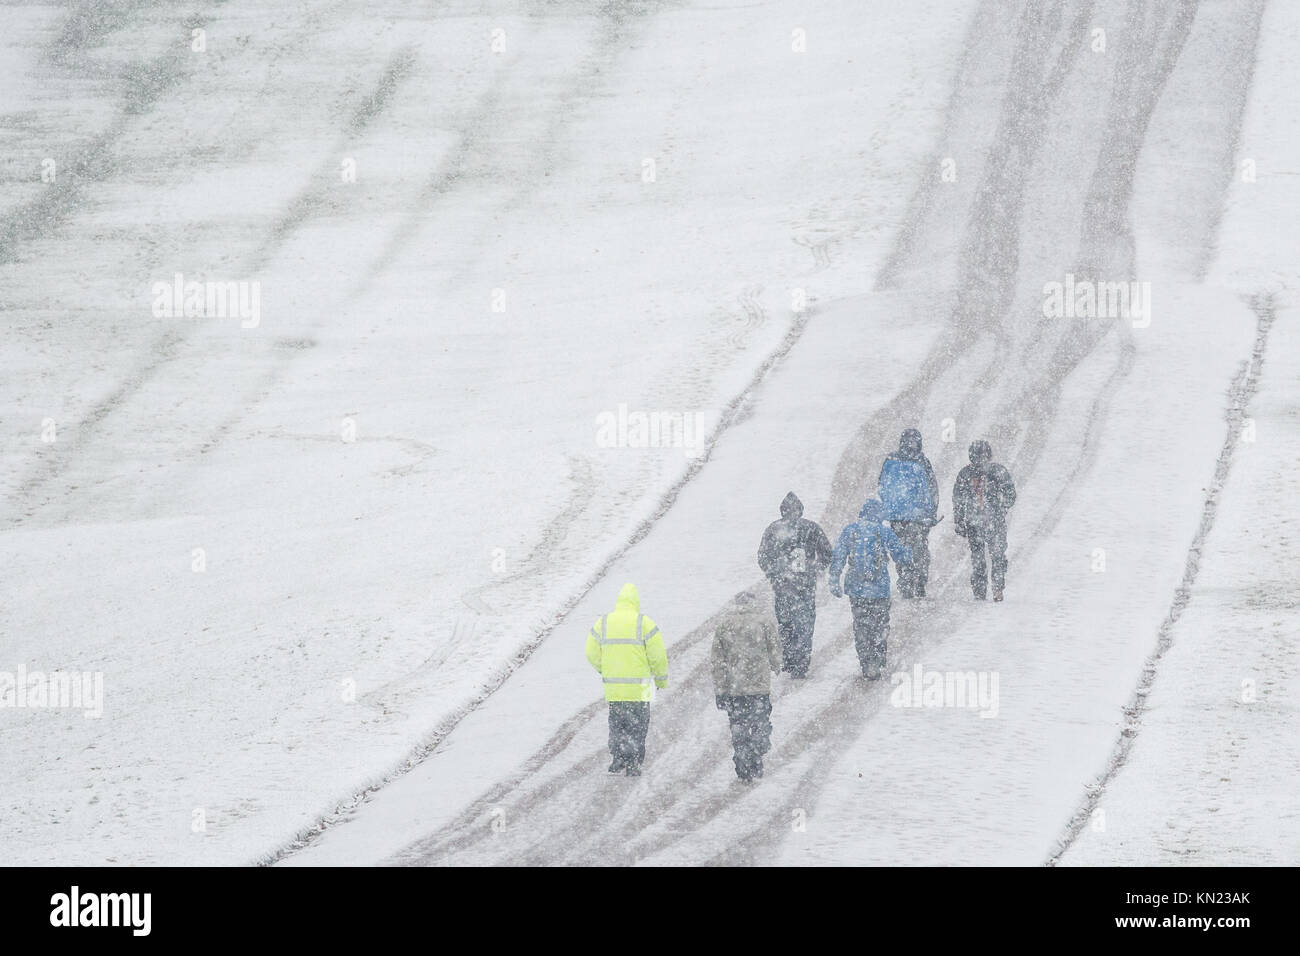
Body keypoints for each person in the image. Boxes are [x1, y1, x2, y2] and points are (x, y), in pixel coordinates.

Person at [585, 583, 668, 776]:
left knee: (617, 722)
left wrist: (604, 669)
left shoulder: (604, 622)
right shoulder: (644, 623)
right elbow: (658, 656)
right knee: (639, 724)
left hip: (614, 688)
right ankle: (634, 762)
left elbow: (590, 652)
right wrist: (661, 680)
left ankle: (618, 758)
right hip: (641, 688)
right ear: (636, 602)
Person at [829, 499, 913, 679]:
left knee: (861, 626)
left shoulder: (850, 530)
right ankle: (878, 659)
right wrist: (909, 551)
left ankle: (866, 661)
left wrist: (834, 579)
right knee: (879, 625)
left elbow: (839, 556)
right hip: (879, 589)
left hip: (856, 589)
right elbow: (900, 557)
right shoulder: (884, 532)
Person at [756, 492, 833, 678]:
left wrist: (774, 573)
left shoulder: (773, 529)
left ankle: (790, 659)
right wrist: (815, 569)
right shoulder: (811, 528)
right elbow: (827, 553)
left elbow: (762, 556)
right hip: (805, 585)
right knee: (805, 625)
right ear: (800, 510)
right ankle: (801, 662)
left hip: (783, 586)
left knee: (786, 624)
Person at [711, 591, 783, 781]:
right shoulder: (764, 622)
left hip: (735, 689)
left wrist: (720, 690)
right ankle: (757, 754)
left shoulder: (724, 625)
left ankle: (743, 764)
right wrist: (776, 665)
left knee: (739, 727)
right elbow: (774, 649)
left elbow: (717, 662)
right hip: (759, 687)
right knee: (760, 724)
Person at [877, 428, 940, 598]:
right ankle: (919, 579)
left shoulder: (890, 460)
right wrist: (931, 511)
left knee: (901, 548)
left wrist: (889, 507)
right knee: (919, 548)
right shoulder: (922, 461)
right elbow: (932, 488)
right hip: (918, 516)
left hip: (897, 516)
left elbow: (882, 486)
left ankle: (905, 579)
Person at [952, 440, 1017, 601]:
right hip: (993, 522)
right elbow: (1010, 494)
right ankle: (997, 589)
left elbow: (958, 500)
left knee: (979, 559)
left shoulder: (965, 474)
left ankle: (980, 591)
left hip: (975, 523)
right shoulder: (997, 471)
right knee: (997, 556)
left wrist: (960, 521)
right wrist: (1001, 509)